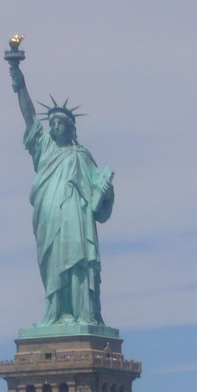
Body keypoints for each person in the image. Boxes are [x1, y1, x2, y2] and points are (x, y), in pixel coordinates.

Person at [9, 60, 115, 327]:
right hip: (49, 215)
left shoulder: (81, 155)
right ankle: (55, 313)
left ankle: (82, 314)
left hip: (76, 218)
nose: (55, 127)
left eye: (60, 123)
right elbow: (29, 116)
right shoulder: (44, 149)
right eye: (52, 123)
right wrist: (19, 82)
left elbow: (98, 200)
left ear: (70, 127)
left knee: (79, 264)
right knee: (53, 262)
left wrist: (105, 189)